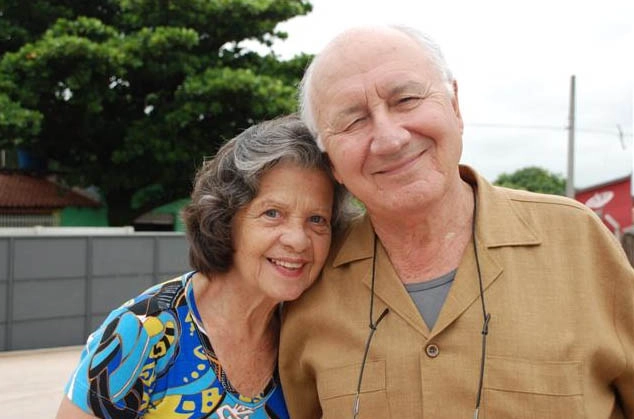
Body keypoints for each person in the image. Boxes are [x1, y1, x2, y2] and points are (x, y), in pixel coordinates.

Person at [279, 25, 634, 418]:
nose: (391, 139)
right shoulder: (308, 282)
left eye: (407, 99)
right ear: (331, 161)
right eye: (353, 121)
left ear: (455, 106)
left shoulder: (576, 238)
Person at [56, 115, 356, 418]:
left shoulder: (311, 331)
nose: (298, 240)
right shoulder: (142, 333)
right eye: (273, 213)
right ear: (225, 219)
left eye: (317, 219)